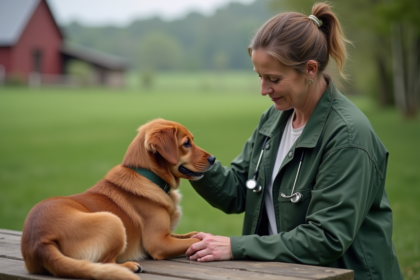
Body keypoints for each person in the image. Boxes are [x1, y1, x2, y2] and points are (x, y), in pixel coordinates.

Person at [185, 3, 403, 279]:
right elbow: (241, 189)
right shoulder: (273, 120)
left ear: (310, 70)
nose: (263, 90)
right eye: (260, 77)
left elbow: (326, 238)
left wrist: (236, 247)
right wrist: (188, 162)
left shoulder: (348, 136)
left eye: (274, 79)